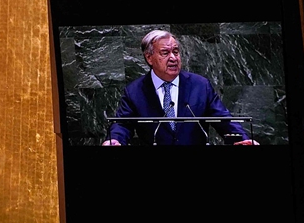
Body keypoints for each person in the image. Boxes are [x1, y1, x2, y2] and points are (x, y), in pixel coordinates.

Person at [104, 30, 255, 146]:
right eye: (165, 52)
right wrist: (115, 140)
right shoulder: (135, 91)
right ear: (149, 58)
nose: (173, 58)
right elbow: (122, 124)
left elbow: (223, 119)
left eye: (175, 52)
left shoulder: (200, 85)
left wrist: (243, 139)